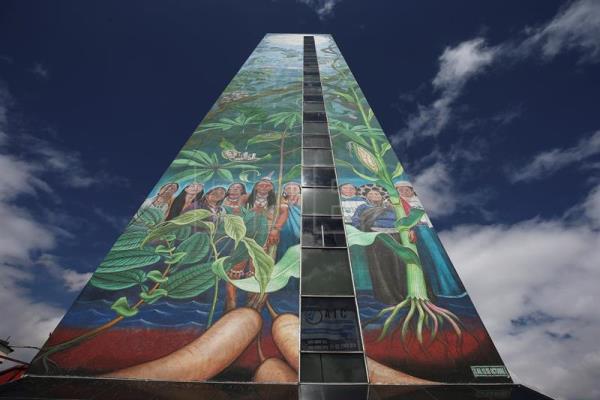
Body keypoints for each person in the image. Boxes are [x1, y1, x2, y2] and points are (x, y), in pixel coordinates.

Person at [394, 180, 465, 298]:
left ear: (412, 190)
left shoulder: (418, 201)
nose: (405, 192)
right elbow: (406, 220)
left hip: (429, 230)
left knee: (439, 257)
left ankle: (452, 288)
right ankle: (439, 289)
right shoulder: (399, 204)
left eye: (407, 190)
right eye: (401, 190)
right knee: (428, 259)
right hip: (418, 231)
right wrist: (410, 229)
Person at [351, 184, 406, 305]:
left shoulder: (390, 207)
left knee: (399, 265)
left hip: (396, 236)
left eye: (376, 194)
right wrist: (366, 229)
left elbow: (402, 219)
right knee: (381, 265)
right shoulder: (362, 207)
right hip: (376, 237)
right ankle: (388, 296)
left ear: (382, 196)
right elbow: (356, 220)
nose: (374, 195)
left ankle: (403, 293)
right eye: (370, 194)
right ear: (366, 197)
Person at [270, 182, 301, 261]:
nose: (291, 190)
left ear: (299, 190)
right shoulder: (280, 200)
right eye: (288, 188)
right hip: (284, 230)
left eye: (294, 188)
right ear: (284, 191)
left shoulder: (302, 200)